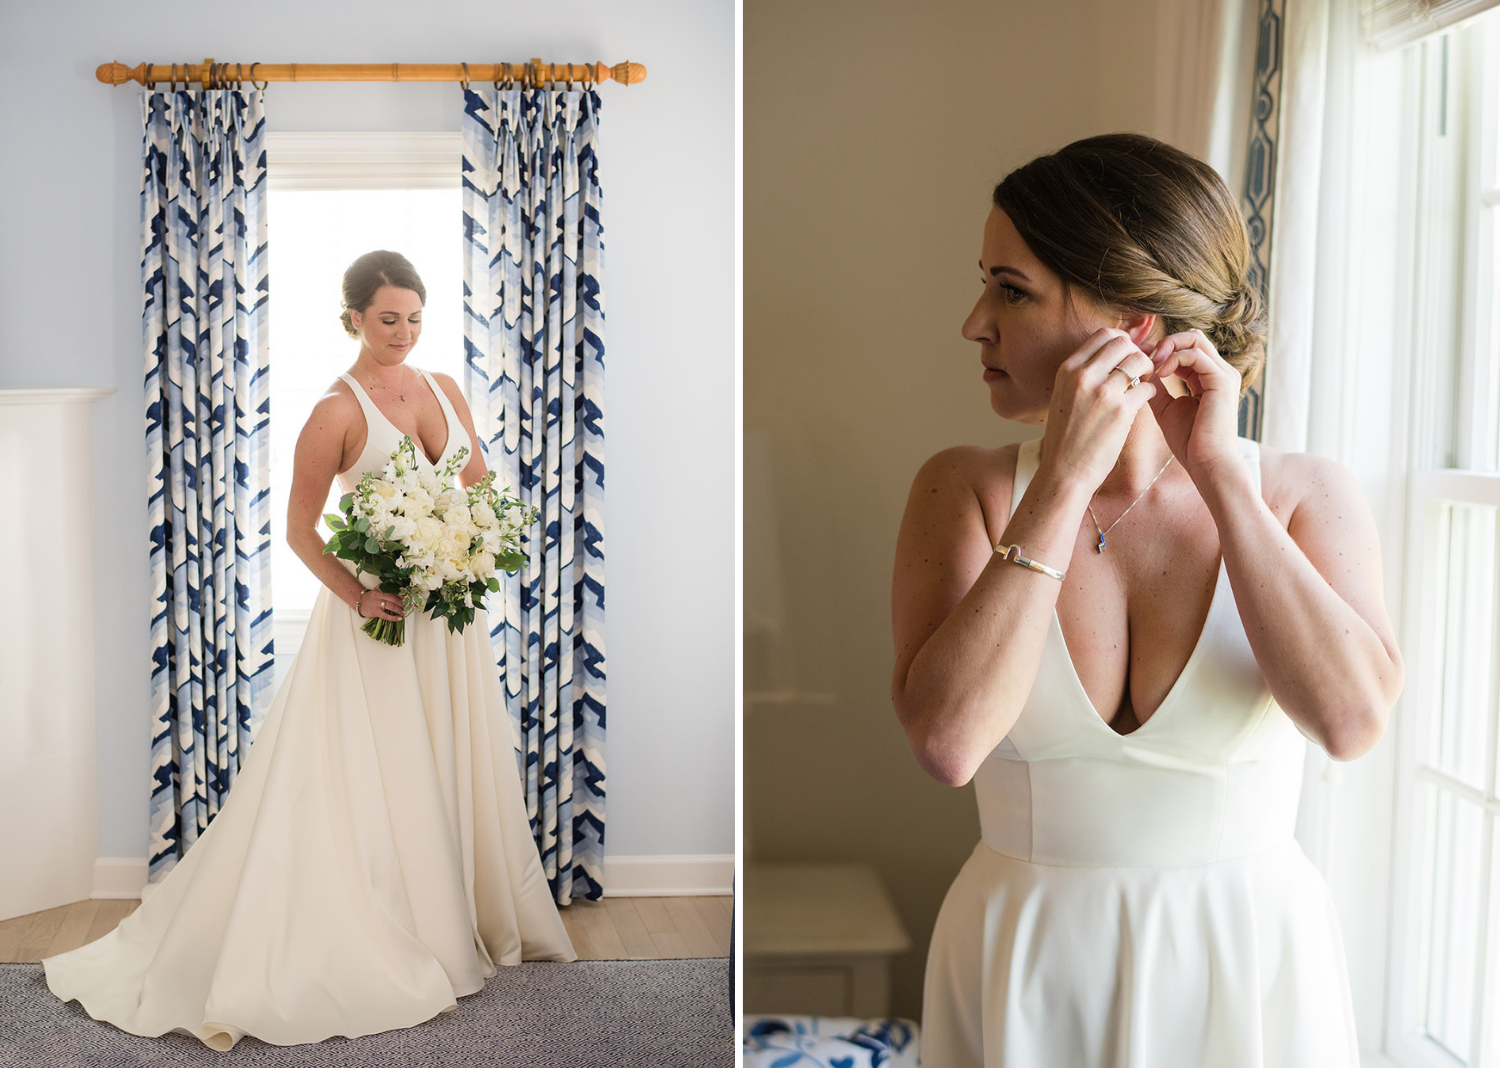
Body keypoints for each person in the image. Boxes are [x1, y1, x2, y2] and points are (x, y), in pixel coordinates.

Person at [890, 135, 1403, 1067]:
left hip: (1245, 967)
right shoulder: (959, 488)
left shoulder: (1304, 495)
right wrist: (1060, 486)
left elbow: (1351, 722)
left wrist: (1223, 483)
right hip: (1024, 967)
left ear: (1129, 326)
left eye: (1010, 288)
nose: (974, 322)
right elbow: (949, 744)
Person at [43, 250, 575, 1050]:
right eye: (388, 317)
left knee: (450, 757)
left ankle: (464, 911)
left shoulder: (446, 388)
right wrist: (363, 593)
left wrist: (469, 543)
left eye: (415, 318)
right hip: (379, 619)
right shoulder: (335, 411)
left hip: (448, 617)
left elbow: (477, 484)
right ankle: (393, 926)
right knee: (381, 770)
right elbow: (297, 530)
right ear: (353, 317)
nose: (403, 332)